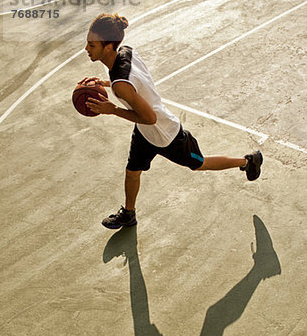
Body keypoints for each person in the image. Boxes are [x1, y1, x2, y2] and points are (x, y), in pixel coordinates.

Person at [81, 13, 263, 229]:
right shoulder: (125, 52)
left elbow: (150, 117)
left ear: (109, 46)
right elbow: (134, 83)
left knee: (199, 164)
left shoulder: (121, 83)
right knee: (132, 172)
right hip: (144, 133)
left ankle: (247, 161)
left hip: (167, 134)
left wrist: (112, 110)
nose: (87, 49)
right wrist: (104, 82)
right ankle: (129, 214)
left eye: (91, 45)